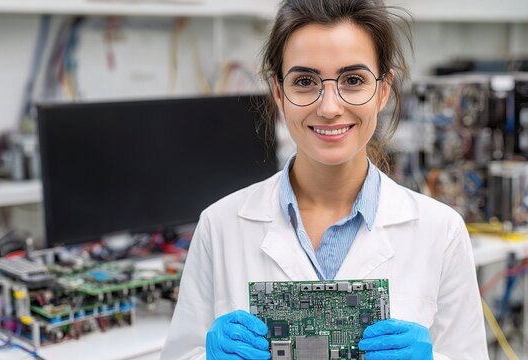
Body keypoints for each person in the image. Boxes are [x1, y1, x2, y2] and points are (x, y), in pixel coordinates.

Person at [161, 0, 488, 359]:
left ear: (382, 90)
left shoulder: (441, 232)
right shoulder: (220, 225)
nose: (329, 107)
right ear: (278, 92)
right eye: (304, 81)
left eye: (353, 80)